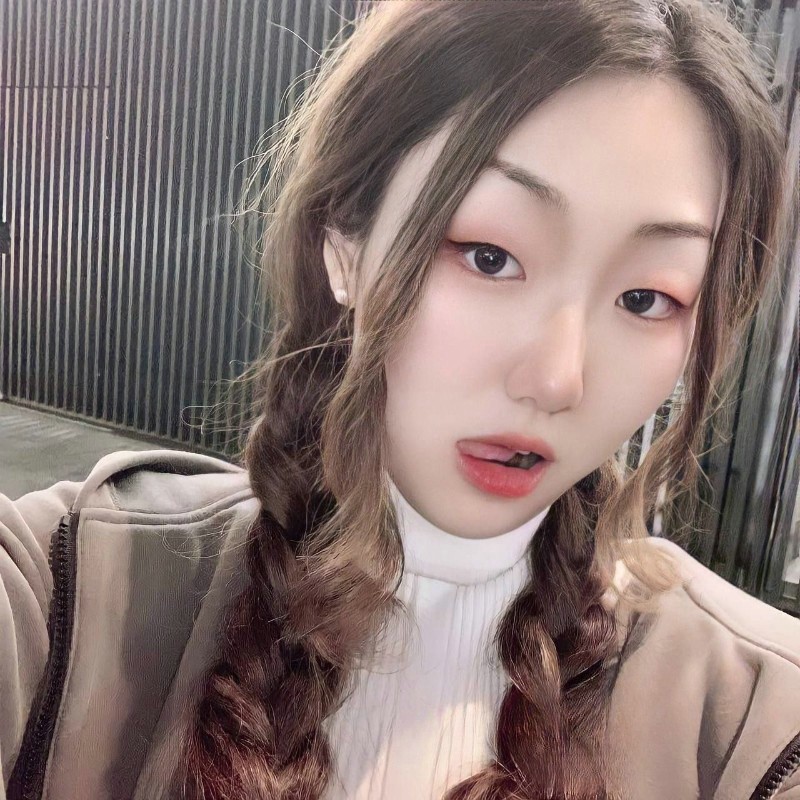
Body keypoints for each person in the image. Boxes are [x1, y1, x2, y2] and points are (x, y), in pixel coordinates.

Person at [2, 1, 799, 798]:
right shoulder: (71, 586)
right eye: (489, 256)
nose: (558, 380)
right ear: (345, 244)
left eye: (647, 299)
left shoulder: (755, 721)